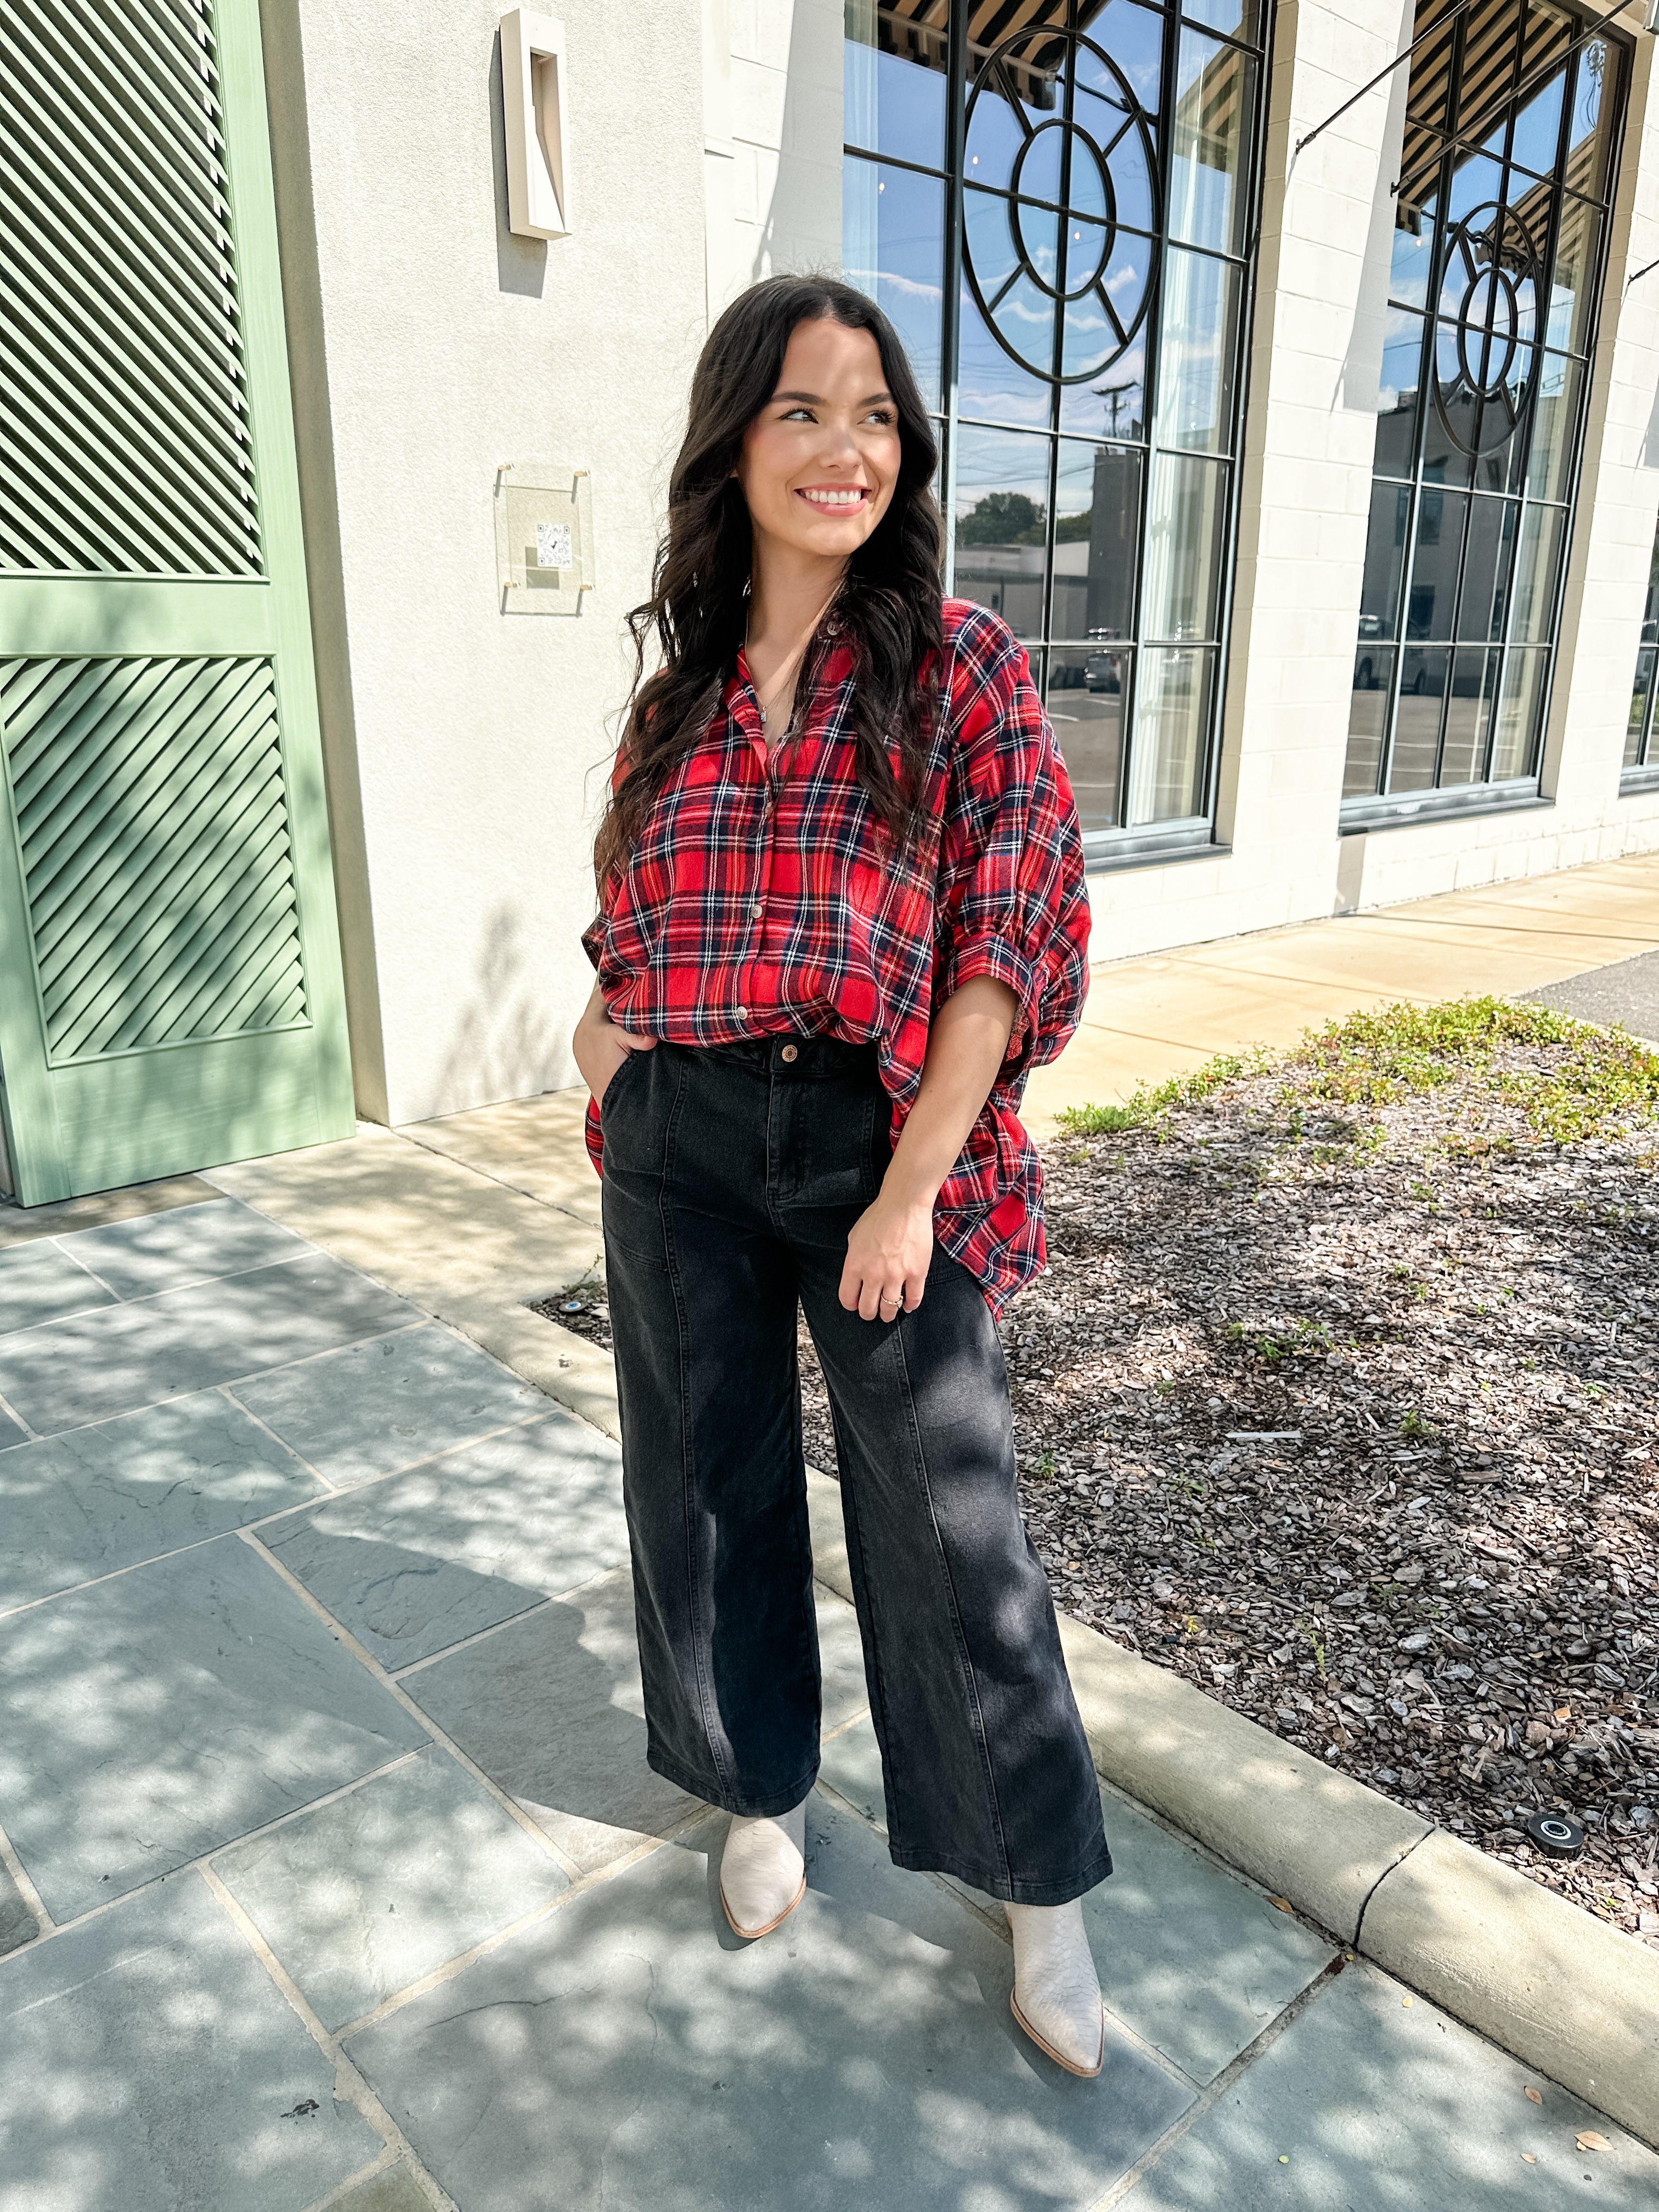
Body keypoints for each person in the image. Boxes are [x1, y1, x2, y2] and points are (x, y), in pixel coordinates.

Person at [572, 274, 1110, 2076]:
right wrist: (611, 1052)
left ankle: (1040, 1890)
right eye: (804, 409)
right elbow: (626, 927)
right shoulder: (679, 705)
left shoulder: (961, 666)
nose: (845, 448)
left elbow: (1010, 930)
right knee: (704, 1479)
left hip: (884, 1143)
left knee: (955, 1523)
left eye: (875, 414)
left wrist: (912, 1189)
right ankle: (759, 1790)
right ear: (737, 441)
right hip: (684, 1145)